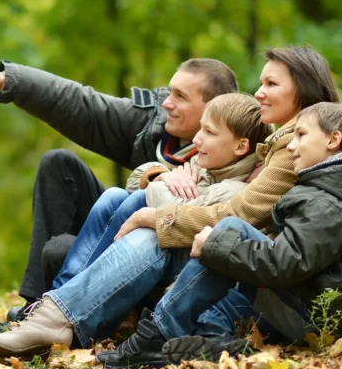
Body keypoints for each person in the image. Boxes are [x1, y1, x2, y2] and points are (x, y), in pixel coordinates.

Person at [0, 46, 342, 360]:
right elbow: (87, 106)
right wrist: (155, 175)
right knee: (108, 195)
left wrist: (157, 216)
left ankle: (59, 319)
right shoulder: (273, 137)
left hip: (250, 272)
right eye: (261, 82)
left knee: (146, 227)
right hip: (231, 254)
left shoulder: (292, 140)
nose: (259, 92)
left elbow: (239, 212)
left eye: (271, 84)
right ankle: (50, 313)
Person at [0, 58, 239, 333]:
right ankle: (36, 307)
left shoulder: (238, 147)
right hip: (121, 236)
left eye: (181, 97)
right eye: (170, 92)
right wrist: (3, 80)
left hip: (165, 262)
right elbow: (82, 104)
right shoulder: (152, 125)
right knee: (60, 166)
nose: (167, 103)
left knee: (67, 246)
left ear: (214, 108)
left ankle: (68, 312)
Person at [154, 102, 342, 367]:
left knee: (231, 230)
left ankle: (157, 334)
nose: (290, 146)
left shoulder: (328, 201)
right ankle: (215, 340)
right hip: (332, 310)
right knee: (221, 291)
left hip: (323, 319)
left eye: (301, 135)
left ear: (333, 139)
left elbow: (284, 263)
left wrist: (215, 245)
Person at [48, 93, 271, 292]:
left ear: (240, 147)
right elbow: (132, 184)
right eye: (200, 128)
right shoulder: (206, 167)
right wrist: (159, 174)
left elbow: (176, 215)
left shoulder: (235, 190)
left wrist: (157, 185)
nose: (196, 139)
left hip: (175, 261)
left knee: (139, 200)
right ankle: (62, 290)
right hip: (155, 251)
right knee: (114, 195)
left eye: (209, 132)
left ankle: (67, 295)